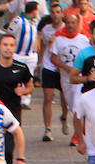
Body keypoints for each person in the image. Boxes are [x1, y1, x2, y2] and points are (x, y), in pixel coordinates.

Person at [0, 33, 36, 164]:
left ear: (15, 48)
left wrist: (23, 91)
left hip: (13, 112)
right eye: (5, 45)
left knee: (7, 150)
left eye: (11, 45)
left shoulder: (21, 68)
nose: (8, 48)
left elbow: (30, 86)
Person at [49, 10, 91, 139]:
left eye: (73, 22)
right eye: (68, 23)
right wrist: (66, 67)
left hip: (80, 79)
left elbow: (88, 56)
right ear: (65, 24)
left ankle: (77, 135)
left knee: (78, 106)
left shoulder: (84, 39)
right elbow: (53, 59)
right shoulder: (59, 40)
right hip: (66, 80)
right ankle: (78, 130)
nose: (71, 25)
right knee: (72, 106)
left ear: (77, 24)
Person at [39, 0, 71, 140]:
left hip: (62, 66)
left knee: (64, 99)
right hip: (48, 65)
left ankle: (64, 117)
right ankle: (48, 129)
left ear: (62, 14)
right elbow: (43, 45)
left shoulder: (66, 28)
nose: (55, 15)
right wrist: (40, 63)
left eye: (58, 12)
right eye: (53, 12)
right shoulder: (46, 29)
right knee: (48, 97)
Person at [6, 3, 42, 103]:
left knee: (28, 77)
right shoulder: (18, 20)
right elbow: (9, 31)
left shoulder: (34, 22)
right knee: (17, 76)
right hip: (18, 54)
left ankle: (26, 100)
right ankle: (17, 96)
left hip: (30, 55)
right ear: (34, 10)